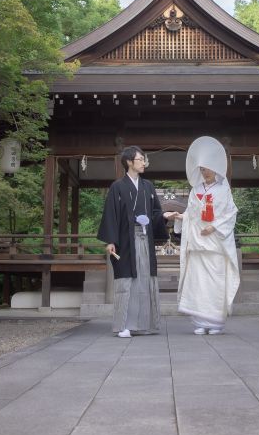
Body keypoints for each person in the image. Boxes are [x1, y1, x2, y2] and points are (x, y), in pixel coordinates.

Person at [164, 136, 240, 335]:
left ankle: (215, 323)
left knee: (215, 282)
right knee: (198, 282)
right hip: (198, 242)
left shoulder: (224, 189)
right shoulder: (195, 190)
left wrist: (214, 227)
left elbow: (231, 213)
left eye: (206, 169)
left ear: (214, 168)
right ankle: (200, 322)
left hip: (215, 244)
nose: (204, 173)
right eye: (201, 170)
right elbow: (191, 213)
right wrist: (181, 217)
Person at [97, 145, 168, 338]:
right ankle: (123, 325)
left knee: (145, 279)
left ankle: (145, 324)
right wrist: (111, 240)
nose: (144, 163)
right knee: (127, 280)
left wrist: (165, 216)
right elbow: (111, 214)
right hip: (126, 240)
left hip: (145, 238)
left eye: (144, 160)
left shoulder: (148, 187)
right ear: (129, 162)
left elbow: (155, 213)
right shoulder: (118, 187)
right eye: (140, 159)